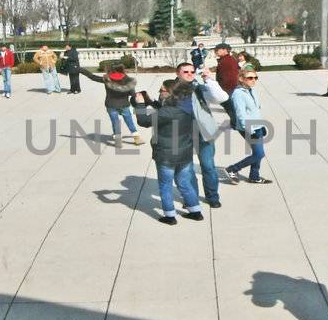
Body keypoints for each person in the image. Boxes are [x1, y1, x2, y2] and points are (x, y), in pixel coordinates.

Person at [135, 79, 204, 225]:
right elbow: (164, 110)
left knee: (165, 185)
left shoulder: (168, 111)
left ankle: (170, 216)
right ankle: (195, 212)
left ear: (171, 93)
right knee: (184, 183)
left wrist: (140, 104)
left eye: (162, 90)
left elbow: (144, 121)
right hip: (184, 153)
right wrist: (151, 101)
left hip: (166, 155)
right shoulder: (187, 106)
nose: (160, 92)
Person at [174, 60, 226, 209]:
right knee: (187, 169)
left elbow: (221, 98)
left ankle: (212, 197)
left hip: (204, 133)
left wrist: (209, 79)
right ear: (177, 73)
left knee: (208, 166)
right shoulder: (170, 88)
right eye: (186, 72)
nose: (190, 74)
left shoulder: (199, 87)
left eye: (192, 71)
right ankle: (191, 198)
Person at [84, 61, 144, 148]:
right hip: (124, 104)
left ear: (111, 69)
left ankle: (118, 141)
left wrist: (81, 70)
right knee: (129, 120)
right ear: (121, 68)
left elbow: (92, 77)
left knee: (115, 122)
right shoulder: (127, 79)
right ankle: (137, 138)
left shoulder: (107, 79)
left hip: (111, 104)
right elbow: (132, 94)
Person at [226, 69, 270, 185]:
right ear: (241, 79)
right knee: (259, 154)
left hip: (257, 126)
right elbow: (241, 114)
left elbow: (255, 110)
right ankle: (233, 169)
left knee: (257, 154)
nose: (253, 80)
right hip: (248, 128)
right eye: (250, 78)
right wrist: (250, 130)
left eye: (255, 78)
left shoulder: (251, 90)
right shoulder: (238, 94)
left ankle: (254, 176)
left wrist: (261, 125)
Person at [214, 44, 241, 127]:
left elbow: (231, 76)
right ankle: (236, 122)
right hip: (229, 87)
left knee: (230, 107)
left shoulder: (227, 60)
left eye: (218, 49)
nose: (216, 51)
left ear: (225, 50)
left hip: (229, 87)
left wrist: (224, 89)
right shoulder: (225, 60)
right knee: (230, 107)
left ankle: (236, 123)